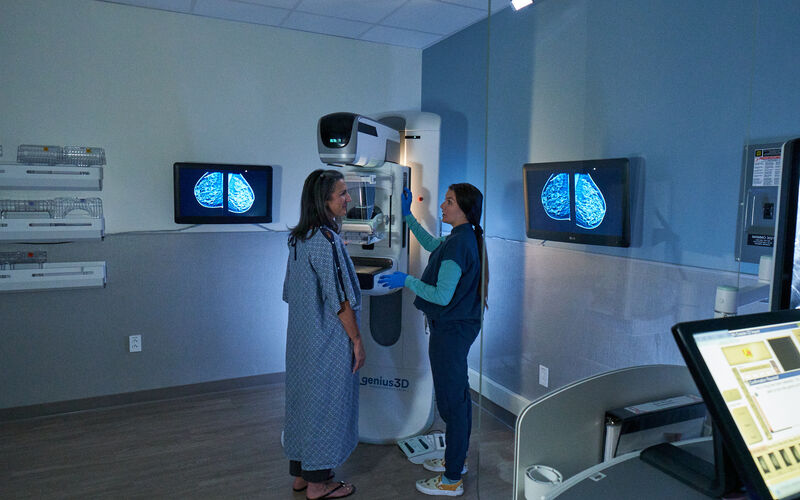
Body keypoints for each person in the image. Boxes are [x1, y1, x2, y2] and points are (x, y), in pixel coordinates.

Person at [378, 183, 488, 497]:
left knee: (453, 404)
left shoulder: (459, 244)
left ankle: (451, 479)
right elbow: (430, 244)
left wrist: (406, 280)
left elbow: (441, 295)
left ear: (464, 208)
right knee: (459, 400)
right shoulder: (464, 238)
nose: (442, 205)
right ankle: (457, 460)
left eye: (449, 201)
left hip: (451, 332)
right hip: (458, 328)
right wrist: (407, 214)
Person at [283, 169, 365, 500]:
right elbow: (341, 302)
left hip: (301, 341)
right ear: (324, 200)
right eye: (342, 194)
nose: (348, 199)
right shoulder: (326, 241)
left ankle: (302, 475)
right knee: (326, 406)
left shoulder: (298, 239)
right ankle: (319, 485)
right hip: (327, 343)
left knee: (303, 404)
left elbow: (290, 292)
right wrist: (357, 341)